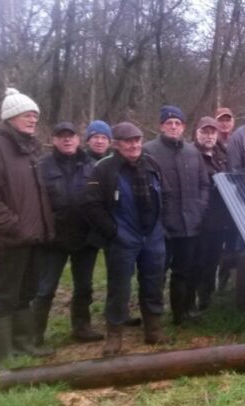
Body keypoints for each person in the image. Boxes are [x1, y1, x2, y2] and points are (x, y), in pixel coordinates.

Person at [0, 88, 55, 366]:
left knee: (27, 291)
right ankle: (4, 354)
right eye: (26, 115)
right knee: (7, 293)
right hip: (11, 238)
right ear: (10, 117)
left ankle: (24, 343)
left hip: (32, 236)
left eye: (35, 116)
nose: (32, 120)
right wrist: (13, 226)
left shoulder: (29, 148)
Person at [83, 122, 168, 356]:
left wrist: (160, 226)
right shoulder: (104, 169)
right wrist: (113, 232)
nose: (134, 145)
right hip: (123, 235)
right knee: (119, 287)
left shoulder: (152, 164)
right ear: (116, 144)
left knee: (153, 283)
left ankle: (153, 329)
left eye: (137, 140)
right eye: (128, 141)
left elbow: (165, 195)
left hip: (152, 234)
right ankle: (114, 335)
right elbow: (92, 205)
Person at [32, 122, 103, 347]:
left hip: (85, 238)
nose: (67, 140)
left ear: (78, 139)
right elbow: (33, 203)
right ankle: (35, 335)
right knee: (45, 289)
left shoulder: (91, 166)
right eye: (61, 137)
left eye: (71, 136)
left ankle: (81, 327)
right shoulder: (42, 167)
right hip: (54, 239)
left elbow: (100, 200)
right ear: (54, 140)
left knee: (84, 286)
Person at [143, 105, 209, 325]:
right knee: (156, 274)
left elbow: (204, 185)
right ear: (161, 126)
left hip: (189, 224)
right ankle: (153, 317)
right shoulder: (148, 151)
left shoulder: (192, 152)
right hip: (160, 227)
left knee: (183, 272)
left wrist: (199, 209)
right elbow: (143, 189)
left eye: (177, 123)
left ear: (183, 127)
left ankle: (180, 315)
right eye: (169, 123)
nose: (173, 126)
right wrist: (156, 220)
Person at [193, 117, 231, 311]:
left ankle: (206, 299)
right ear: (197, 133)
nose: (209, 136)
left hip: (220, 219)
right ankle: (193, 299)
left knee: (212, 260)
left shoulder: (223, 154)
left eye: (212, 132)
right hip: (200, 220)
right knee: (197, 261)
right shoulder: (190, 155)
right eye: (205, 132)